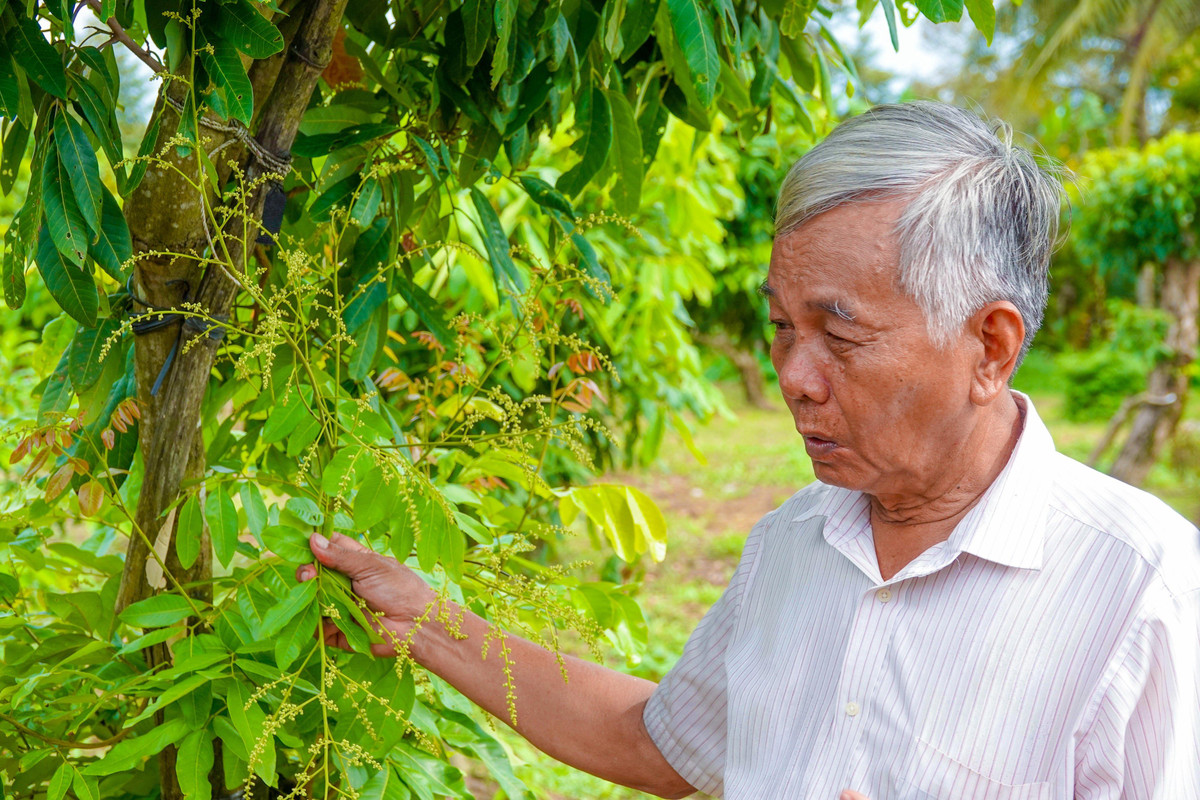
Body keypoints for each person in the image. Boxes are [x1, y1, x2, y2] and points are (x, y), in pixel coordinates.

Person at [297, 102, 1200, 799]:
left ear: (991, 349)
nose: (796, 377)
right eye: (779, 327)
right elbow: (657, 741)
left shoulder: (1139, 589)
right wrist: (424, 619)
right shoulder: (795, 544)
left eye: (840, 338)